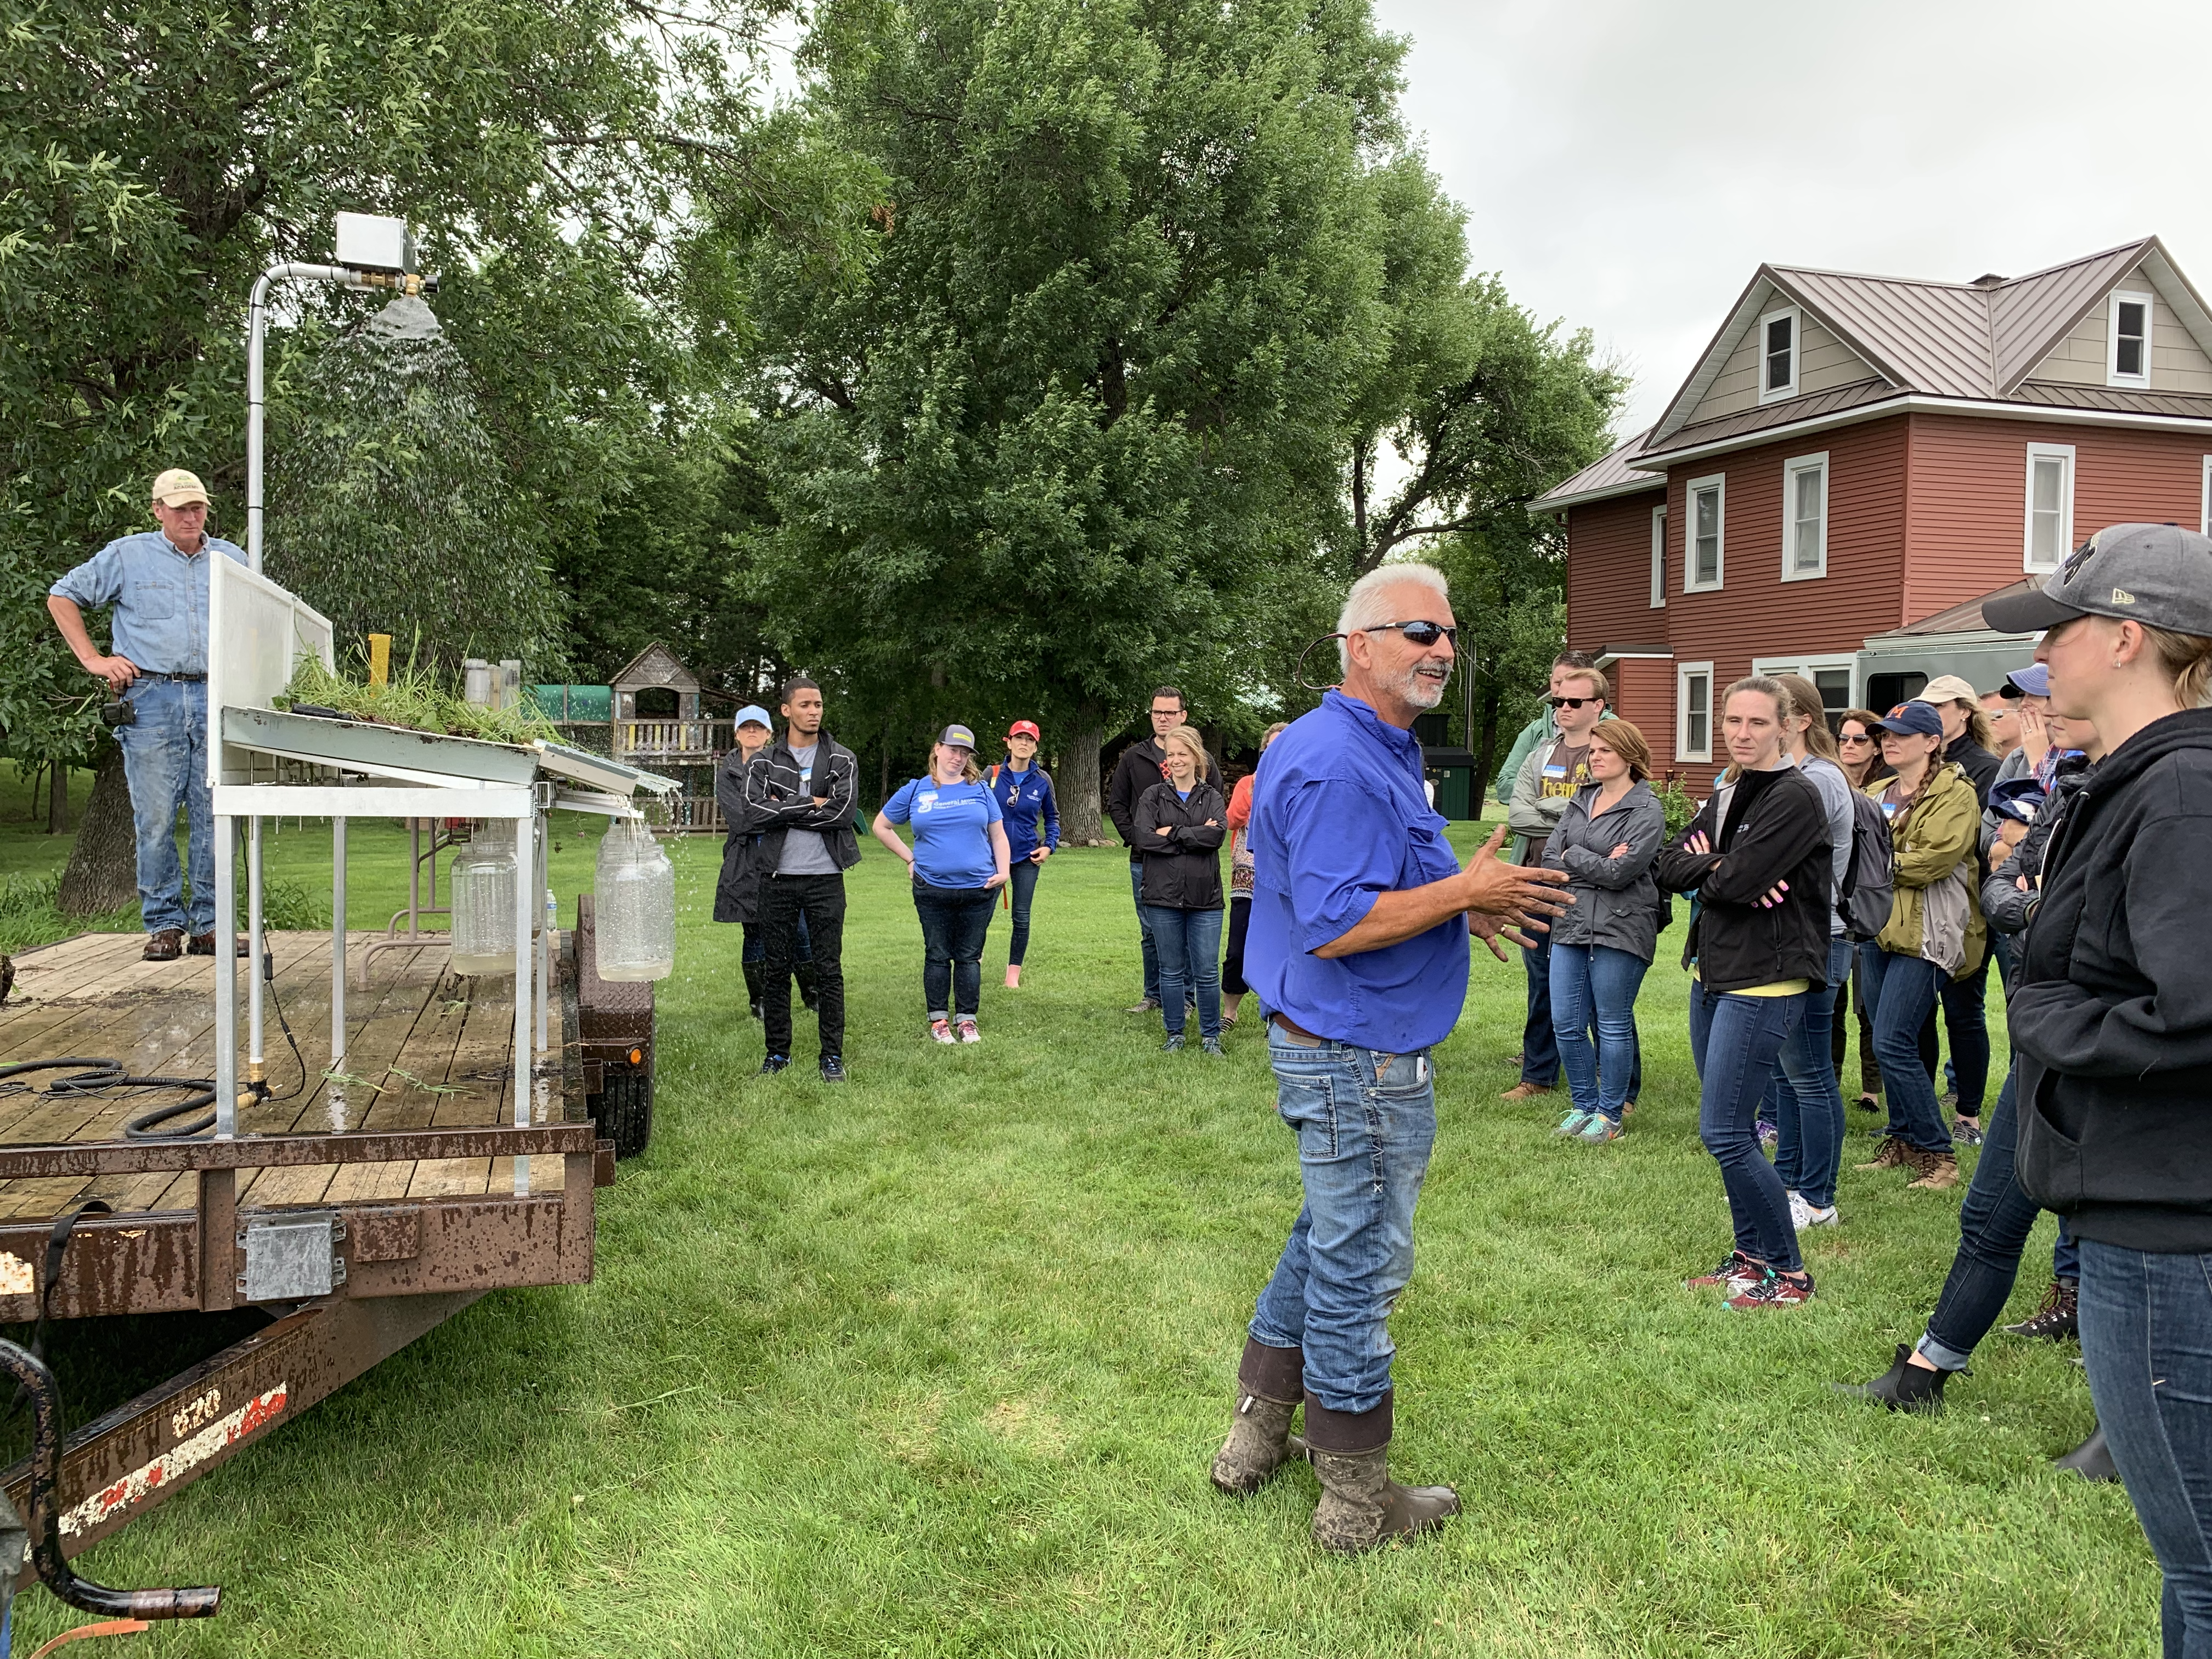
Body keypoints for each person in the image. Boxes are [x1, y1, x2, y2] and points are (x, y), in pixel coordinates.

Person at [1209, 562, 1571, 1553]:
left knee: (1322, 1241)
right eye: (1417, 631)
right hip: (1356, 1058)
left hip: (1341, 1049)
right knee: (1361, 1264)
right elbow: (1333, 921)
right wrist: (1461, 895)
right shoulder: (1336, 757)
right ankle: (1356, 1499)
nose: (1440, 649)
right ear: (1356, 644)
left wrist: (1462, 894)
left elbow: (1375, 883)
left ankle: (1252, 1439)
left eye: (1447, 633)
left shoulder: (1370, 747)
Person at [1985, 524, 2212, 1652]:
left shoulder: (2181, 793)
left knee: (2208, 1565)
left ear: (2126, 639)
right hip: (2146, 1209)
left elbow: (2197, 1007)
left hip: (2174, 1229)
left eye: (2057, 629)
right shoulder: (2147, 781)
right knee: (2194, 1562)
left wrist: (2047, 1013)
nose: (2042, 657)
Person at [1844, 732, 2108, 1468]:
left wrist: (2037, 902)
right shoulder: (2076, 784)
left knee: (2124, 1241)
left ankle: (2126, 1429)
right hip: (2045, 1035)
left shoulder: (2169, 783)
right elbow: (2002, 881)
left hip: (2116, 1054)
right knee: (1991, 1211)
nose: (2037, 706)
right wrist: (2029, 901)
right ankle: (1924, 1372)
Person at [1655, 677, 1836, 1310]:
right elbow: (1668, 862)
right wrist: (1716, 868)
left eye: (1758, 723)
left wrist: (1722, 870)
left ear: (1787, 726)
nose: (1742, 733)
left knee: (1726, 1131)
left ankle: (1788, 1273)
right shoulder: (1728, 790)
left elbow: (1742, 881)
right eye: (1733, 721)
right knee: (1728, 1128)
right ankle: (1750, 1257)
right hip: (1714, 972)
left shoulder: (1798, 797)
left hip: (1767, 978)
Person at [47, 469, 247, 961]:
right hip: (151, 696)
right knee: (155, 819)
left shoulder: (231, 560)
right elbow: (61, 596)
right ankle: (163, 926)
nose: (190, 516)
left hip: (219, 697)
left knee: (216, 816)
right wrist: (96, 661)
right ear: (157, 509)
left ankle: (211, 926)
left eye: (197, 507)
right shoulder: (126, 555)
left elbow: (258, 621)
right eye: (179, 508)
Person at [1851, 699, 1983, 1189]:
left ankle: (1940, 1155)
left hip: (1930, 931)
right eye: (1885, 734)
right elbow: (1848, 845)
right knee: (1888, 1043)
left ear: (1932, 743)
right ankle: (1904, 1142)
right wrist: (1880, 859)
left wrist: (1875, 862)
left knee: (1892, 1041)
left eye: (1901, 735)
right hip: (1879, 929)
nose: (1888, 741)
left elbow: (1934, 860)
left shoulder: (1956, 793)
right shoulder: (1877, 790)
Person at [1542, 720, 1664, 1143]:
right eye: (1593, 750)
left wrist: (1575, 857)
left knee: (1611, 1024)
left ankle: (1610, 1116)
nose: (1595, 757)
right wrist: (1586, 857)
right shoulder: (1581, 800)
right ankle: (1583, 1105)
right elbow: (1551, 859)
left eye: (1604, 750)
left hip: (1622, 927)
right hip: (1571, 920)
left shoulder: (1646, 809)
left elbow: (1620, 873)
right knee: (1565, 1022)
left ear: (1629, 755)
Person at [1763, 675, 1855, 1231]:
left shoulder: (1820, 781)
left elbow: (1758, 859)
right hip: (1784, 940)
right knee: (1786, 1073)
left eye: (1769, 716)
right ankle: (1789, 1184)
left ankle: (1818, 1197)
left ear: (1800, 721)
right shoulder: (1791, 777)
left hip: (1819, 939)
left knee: (1811, 1073)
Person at [1503, 663, 1612, 1103]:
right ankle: (1538, 1075)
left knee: (1600, 983)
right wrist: (1569, 814)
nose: (1562, 709)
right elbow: (1517, 815)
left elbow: (1604, 822)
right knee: (1541, 978)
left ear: (1598, 707)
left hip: (1590, 885)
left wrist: (1554, 814)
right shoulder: (1540, 754)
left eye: (1574, 702)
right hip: (1537, 878)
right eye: (1558, 701)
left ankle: (1614, 1078)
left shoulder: (1609, 754)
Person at [745, 676, 860, 1082]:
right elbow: (754, 814)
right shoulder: (763, 761)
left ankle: (832, 1056)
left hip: (826, 879)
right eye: (806, 705)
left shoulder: (842, 759)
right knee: (776, 969)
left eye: (819, 704)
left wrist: (785, 806)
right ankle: (777, 1054)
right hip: (777, 880)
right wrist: (810, 802)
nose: (814, 711)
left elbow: (843, 814)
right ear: (787, 710)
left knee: (828, 969)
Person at [873, 725, 1011, 1044]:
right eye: (953, 750)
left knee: (968, 955)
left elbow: (999, 835)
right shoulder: (915, 790)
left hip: (979, 888)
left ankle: (967, 1019)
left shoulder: (980, 790)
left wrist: (1003, 871)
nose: (958, 758)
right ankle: (939, 1020)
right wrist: (910, 859)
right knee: (937, 953)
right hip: (932, 888)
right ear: (937, 749)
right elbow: (882, 826)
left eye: (965, 753)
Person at [1106, 687, 1223, 1015]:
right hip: (1146, 861)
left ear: (1183, 715)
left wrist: (1176, 836)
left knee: (1186, 928)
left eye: (1170, 713)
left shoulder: (1204, 760)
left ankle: (1185, 997)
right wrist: (1137, 837)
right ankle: (1153, 994)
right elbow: (1117, 803)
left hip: (1193, 863)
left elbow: (1213, 814)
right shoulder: (1134, 757)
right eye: (1158, 712)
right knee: (1151, 930)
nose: (1163, 718)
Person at [715, 704, 814, 1019]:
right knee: (755, 931)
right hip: (744, 860)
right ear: (737, 734)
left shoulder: (784, 764)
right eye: (746, 727)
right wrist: (775, 808)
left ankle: (812, 995)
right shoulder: (727, 773)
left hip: (785, 855)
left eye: (758, 727)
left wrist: (776, 809)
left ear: (770, 733)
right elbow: (741, 819)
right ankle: (759, 1001)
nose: (752, 732)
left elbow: (797, 807)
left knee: (799, 928)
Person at [1136, 726, 1228, 1054]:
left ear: (1196, 757)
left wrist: (1172, 833)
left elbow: (1216, 838)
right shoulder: (1153, 796)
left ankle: (1211, 1037)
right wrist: (1193, 835)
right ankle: (1174, 1034)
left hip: (1206, 899)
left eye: (1182, 754)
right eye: (1170, 754)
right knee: (1171, 970)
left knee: (1205, 970)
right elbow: (1144, 838)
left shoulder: (1212, 797)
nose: (1175, 760)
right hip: (1163, 896)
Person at [1832, 708, 1892, 1113]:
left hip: (1871, 911)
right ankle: (1828, 1080)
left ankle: (1873, 1089)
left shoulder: (1884, 789)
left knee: (1869, 1007)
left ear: (1875, 748)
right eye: (1844, 739)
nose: (1850, 747)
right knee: (1831, 1004)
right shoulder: (1828, 783)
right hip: (1836, 909)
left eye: (1859, 740)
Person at [1221, 721, 1289, 1028]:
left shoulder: (1298, 782)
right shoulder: (1247, 783)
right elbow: (1232, 819)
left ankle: (1275, 1015)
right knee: (1238, 947)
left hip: (1285, 878)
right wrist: (1257, 794)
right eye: (1269, 748)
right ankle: (1230, 1012)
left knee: (1281, 948)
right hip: (1247, 876)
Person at [989, 720, 1059, 989]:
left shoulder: (1042, 780)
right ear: (1008, 741)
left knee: (1021, 916)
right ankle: (974, 961)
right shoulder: (991, 774)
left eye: (1030, 740)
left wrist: (1049, 846)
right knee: (982, 913)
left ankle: (1013, 975)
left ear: (1036, 747)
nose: (1024, 743)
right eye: (1019, 737)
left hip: (1027, 857)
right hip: (992, 857)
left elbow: (1052, 817)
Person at [1491, 649, 1603, 810]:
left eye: (1573, 682)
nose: (1564, 689)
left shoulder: (1612, 731)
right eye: (1559, 683)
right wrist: (1552, 802)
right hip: (1536, 833)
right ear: (1551, 682)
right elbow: (1504, 787)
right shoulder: (1534, 731)